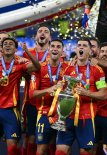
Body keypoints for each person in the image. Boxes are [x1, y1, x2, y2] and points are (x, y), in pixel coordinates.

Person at [55, 37, 107, 155]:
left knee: (85, 152)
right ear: (76, 49)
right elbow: (61, 92)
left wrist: (86, 93)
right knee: (60, 151)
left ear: (90, 51)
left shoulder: (97, 70)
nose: (81, 47)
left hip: (86, 118)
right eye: (79, 45)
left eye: (84, 45)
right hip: (67, 117)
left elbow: (103, 95)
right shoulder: (67, 69)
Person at [0, 37, 40, 155]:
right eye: (5, 44)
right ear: (1, 49)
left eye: (11, 44)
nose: (7, 45)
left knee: (12, 148)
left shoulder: (20, 65)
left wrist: (27, 52)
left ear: (15, 49)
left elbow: (37, 67)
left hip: (10, 111)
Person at [29, 39, 68, 155]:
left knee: (62, 149)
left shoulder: (69, 68)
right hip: (44, 114)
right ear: (49, 49)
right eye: (53, 46)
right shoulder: (39, 68)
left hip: (63, 116)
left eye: (58, 47)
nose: (55, 48)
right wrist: (49, 90)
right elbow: (32, 94)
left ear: (62, 51)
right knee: (41, 150)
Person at [21, 26, 51, 155]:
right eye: (40, 31)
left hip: (50, 103)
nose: (43, 33)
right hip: (31, 101)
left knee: (50, 140)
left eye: (46, 32)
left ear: (50, 37)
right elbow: (27, 71)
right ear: (36, 37)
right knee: (30, 137)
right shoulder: (27, 52)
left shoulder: (55, 53)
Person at [93, 42, 107, 155]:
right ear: (98, 54)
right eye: (102, 51)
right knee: (92, 147)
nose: (104, 54)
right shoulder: (92, 70)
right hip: (93, 115)